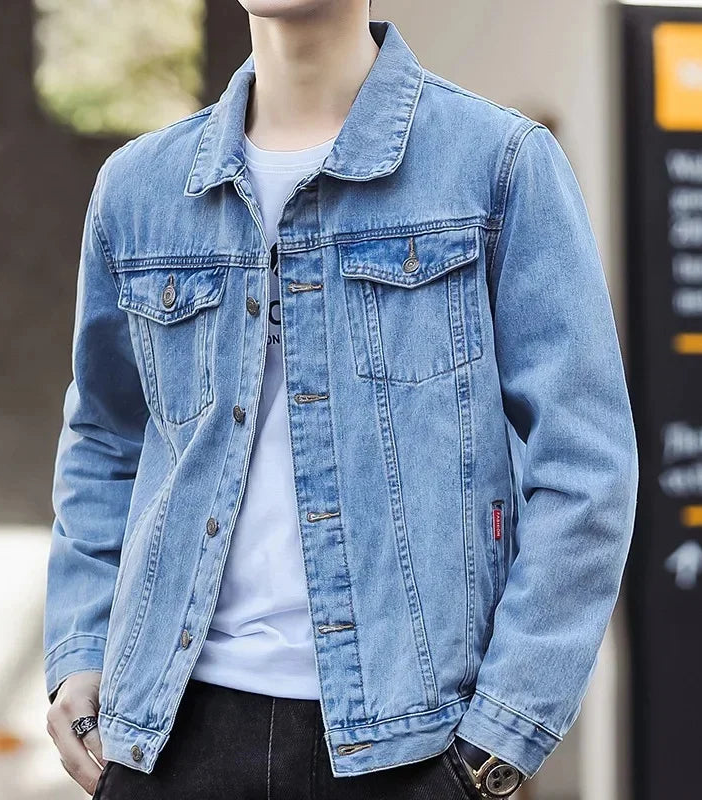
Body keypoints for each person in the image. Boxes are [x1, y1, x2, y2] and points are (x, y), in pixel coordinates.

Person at [43, 2, 639, 798]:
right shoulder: (138, 188)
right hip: (167, 736)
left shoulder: (497, 166)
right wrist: (79, 649)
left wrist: (497, 739)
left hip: (410, 747)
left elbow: (586, 467)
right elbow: (105, 441)